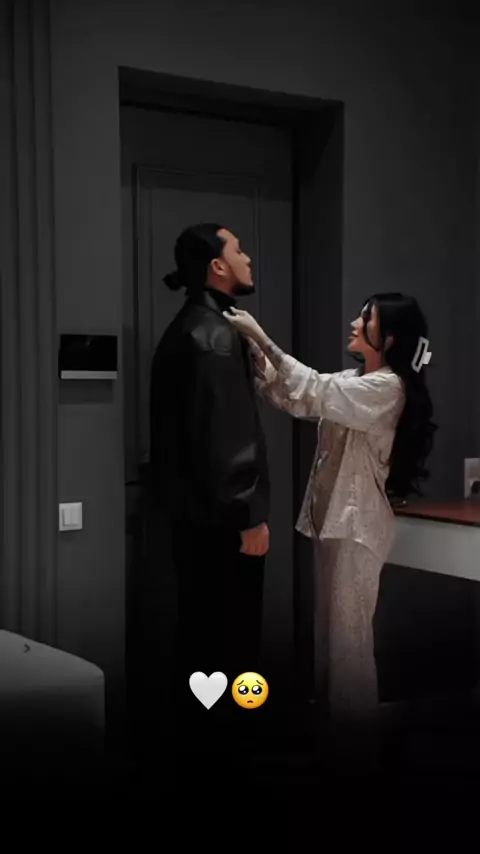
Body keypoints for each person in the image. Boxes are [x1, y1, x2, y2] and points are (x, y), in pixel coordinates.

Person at [224, 293, 436, 724]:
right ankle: (335, 736)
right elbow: (298, 396)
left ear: (388, 338)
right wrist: (256, 354)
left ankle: (353, 746)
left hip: (357, 526)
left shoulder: (388, 388)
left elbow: (316, 389)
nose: (355, 323)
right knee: (331, 639)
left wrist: (263, 338)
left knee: (348, 645)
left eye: (367, 318)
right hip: (336, 521)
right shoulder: (355, 380)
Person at [149, 224, 270, 728]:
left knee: (201, 637)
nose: (247, 258)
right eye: (238, 250)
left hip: (193, 520)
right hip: (224, 525)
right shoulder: (215, 336)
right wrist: (249, 516)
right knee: (231, 641)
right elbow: (226, 438)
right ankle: (228, 749)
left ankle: (200, 744)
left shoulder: (188, 327)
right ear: (218, 266)